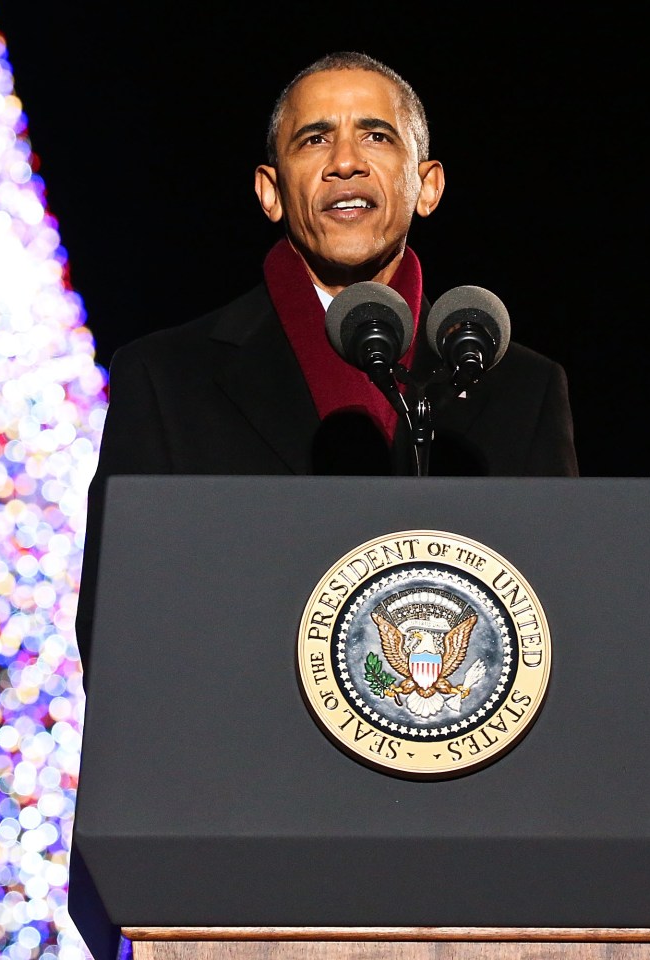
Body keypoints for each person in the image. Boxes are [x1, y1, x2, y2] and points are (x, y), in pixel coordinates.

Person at [77, 53, 577, 666]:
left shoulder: (521, 387)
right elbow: (120, 629)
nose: (345, 162)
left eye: (376, 135)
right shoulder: (166, 378)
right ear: (270, 192)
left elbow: (558, 620)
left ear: (428, 186)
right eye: (315, 139)